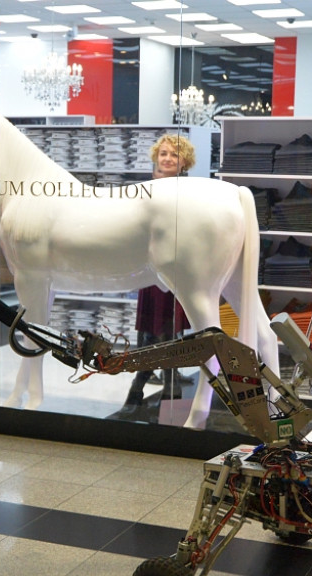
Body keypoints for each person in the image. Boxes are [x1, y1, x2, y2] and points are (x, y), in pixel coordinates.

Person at [121, 134, 195, 416]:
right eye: (163, 153)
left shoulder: (188, 191)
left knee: (168, 329)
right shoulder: (147, 189)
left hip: (174, 267)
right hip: (149, 267)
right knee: (150, 332)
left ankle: (151, 388)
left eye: (173, 155)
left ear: (184, 161)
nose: (166, 158)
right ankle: (155, 386)